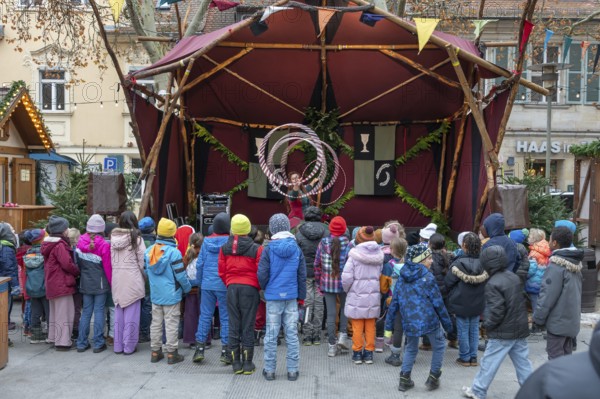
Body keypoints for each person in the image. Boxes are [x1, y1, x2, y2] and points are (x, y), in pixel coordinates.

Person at [462, 245, 533, 399]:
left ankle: (478, 390)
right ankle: (533, 392)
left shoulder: (493, 283)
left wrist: (487, 324)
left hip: (502, 332)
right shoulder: (512, 276)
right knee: (523, 363)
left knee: (489, 362)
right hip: (519, 329)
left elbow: (496, 310)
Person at [386, 243, 452, 391]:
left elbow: (394, 302)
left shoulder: (402, 277)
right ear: (420, 260)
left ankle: (404, 379)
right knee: (440, 345)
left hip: (409, 321)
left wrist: (388, 326)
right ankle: (433, 378)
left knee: (410, 348)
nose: (432, 261)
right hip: (430, 320)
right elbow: (438, 303)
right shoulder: (428, 277)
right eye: (429, 258)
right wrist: (448, 325)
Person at [258, 214, 306, 381]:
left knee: (271, 334)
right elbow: (302, 275)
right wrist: (301, 296)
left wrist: (265, 288)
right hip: (291, 296)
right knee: (291, 333)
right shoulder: (296, 249)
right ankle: (292, 370)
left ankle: (270, 370)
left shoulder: (268, 249)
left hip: (273, 297)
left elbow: (262, 274)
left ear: (272, 229)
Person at [218, 214, 263, 375]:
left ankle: (236, 363)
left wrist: (230, 283)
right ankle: (248, 364)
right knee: (248, 326)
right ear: (248, 229)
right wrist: (256, 286)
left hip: (231, 288)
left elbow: (221, 271)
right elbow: (261, 272)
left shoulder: (224, 248)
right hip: (250, 289)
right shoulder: (257, 249)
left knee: (233, 325)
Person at [145, 218, 192, 365]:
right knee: (171, 323)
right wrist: (187, 288)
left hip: (156, 294)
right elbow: (181, 276)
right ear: (173, 234)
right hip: (172, 294)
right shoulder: (174, 253)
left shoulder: (149, 251)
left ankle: (155, 351)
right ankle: (172, 353)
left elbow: (147, 273)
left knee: (156, 323)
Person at [532, 226, 583, 360]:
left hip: (558, 323)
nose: (548, 242)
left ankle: (557, 382)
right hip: (571, 321)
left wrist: (538, 318)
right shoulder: (575, 263)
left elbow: (547, 296)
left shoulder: (556, 266)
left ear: (554, 243)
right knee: (566, 360)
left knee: (555, 362)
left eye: (549, 239)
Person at [515, 322, 600, 399]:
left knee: (556, 354)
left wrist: (537, 321)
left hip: (557, 327)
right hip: (570, 327)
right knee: (566, 351)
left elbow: (545, 307)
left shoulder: (550, 374)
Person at [444, 233, 488, 367]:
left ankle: (464, 357)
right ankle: (473, 357)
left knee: (463, 328)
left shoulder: (458, 263)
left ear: (464, 246)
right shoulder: (484, 263)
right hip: (478, 300)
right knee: (474, 328)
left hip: (461, 301)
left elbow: (448, 282)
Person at [342, 226, 384, 365]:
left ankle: (357, 353)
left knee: (357, 325)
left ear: (358, 239)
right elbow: (379, 274)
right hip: (373, 296)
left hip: (357, 294)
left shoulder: (353, 256)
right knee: (371, 326)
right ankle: (369, 353)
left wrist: (348, 290)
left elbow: (346, 278)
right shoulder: (379, 256)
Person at [193, 212, 231, 364]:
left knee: (205, 316)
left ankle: (199, 349)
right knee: (225, 318)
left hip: (207, 284)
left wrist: (200, 283)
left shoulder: (206, 243)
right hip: (224, 284)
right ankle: (225, 351)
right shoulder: (229, 242)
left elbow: (200, 265)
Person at [314, 216, 352, 357]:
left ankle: (331, 346)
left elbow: (317, 264)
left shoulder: (323, 243)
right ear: (344, 229)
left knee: (330, 314)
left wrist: (319, 282)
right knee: (344, 310)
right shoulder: (348, 244)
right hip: (344, 284)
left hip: (327, 283)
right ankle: (343, 336)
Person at [110, 211, 146, 355]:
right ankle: (129, 346)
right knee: (132, 313)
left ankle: (118, 346)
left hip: (117, 277)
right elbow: (142, 261)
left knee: (119, 312)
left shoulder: (113, 238)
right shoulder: (136, 239)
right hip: (132, 278)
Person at [42, 216, 80, 351]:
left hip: (52, 283)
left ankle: (53, 337)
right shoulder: (59, 245)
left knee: (54, 312)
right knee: (65, 313)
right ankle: (63, 342)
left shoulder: (48, 243)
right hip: (62, 283)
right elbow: (67, 264)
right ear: (63, 230)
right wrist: (77, 271)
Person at [75, 214, 112, 353]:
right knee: (99, 312)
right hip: (100, 283)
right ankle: (98, 342)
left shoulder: (79, 242)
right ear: (102, 229)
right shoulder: (103, 245)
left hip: (85, 283)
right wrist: (111, 283)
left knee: (86, 313)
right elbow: (107, 268)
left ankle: (81, 343)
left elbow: (77, 264)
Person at [295, 206, 328, 346]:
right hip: (321, 271)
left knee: (308, 301)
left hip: (305, 272)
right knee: (319, 302)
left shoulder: (299, 232)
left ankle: (307, 335)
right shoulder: (326, 231)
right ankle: (317, 334)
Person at [382, 237, 408, 367]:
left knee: (397, 328)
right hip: (409, 300)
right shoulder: (410, 265)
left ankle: (395, 354)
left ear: (392, 250)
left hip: (393, 299)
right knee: (408, 328)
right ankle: (410, 354)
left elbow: (383, 286)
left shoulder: (389, 266)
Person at [24, 229, 49, 344]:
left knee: (35, 311)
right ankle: (51, 333)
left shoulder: (28, 253)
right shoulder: (45, 252)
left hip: (31, 287)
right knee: (48, 311)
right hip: (44, 287)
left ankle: (36, 335)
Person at [182, 232, 203, 348]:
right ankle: (205, 339)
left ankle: (191, 339)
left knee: (190, 315)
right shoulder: (204, 257)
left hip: (189, 291)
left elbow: (181, 272)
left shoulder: (186, 257)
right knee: (203, 314)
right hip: (202, 290)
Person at [138, 216, 156, 343]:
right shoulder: (155, 244)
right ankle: (144, 333)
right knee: (147, 307)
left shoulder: (136, 242)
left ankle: (138, 331)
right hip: (150, 281)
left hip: (137, 279)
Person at [525, 228, 551, 314]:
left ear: (533, 240)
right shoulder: (546, 250)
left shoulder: (534, 253)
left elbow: (531, 270)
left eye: (529, 237)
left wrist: (525, 276)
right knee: (542, 305)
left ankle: (536, 323)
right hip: (543, 283)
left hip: (534, 284)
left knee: (535, 306)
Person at [0, 223, 18, 333]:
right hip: (5, 284)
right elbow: (9, 268)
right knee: (5, 307)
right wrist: (15, 285)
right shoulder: (6, 248)